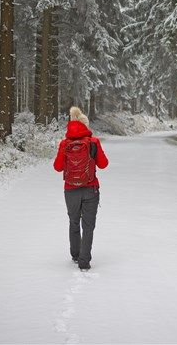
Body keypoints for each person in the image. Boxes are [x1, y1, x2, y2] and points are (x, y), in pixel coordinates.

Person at [53, 106, 108, 271]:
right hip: (90, 188)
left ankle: (75, 254)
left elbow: (57, 167)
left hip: (70, 189)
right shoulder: (93, 142)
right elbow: (104, 164)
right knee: (88, 226)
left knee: (74, 222)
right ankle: (84, 261)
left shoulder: (65, 143)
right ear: (85, 125)